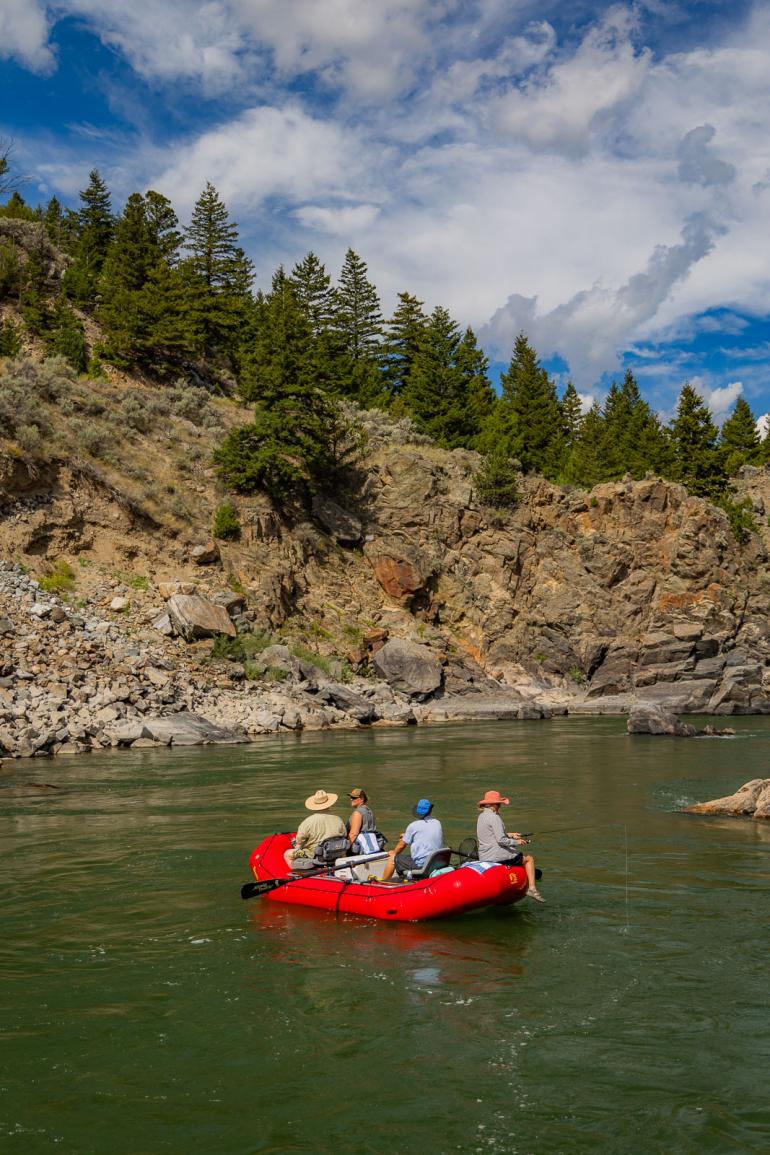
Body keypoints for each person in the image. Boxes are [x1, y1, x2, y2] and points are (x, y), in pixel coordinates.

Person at [476, 789, 545, 902]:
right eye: (499, 804)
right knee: (529, 859)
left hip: (484, 855)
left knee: (517, 853)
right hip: (496, 855)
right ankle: (532, 889)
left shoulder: (482, 816)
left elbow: (491, 834)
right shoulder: (495, 817)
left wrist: (512, 835)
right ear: (492, 804)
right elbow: (501, 840)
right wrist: (517, 842)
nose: (500, 806)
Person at [380, 798, 444, 881]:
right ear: (430, 811)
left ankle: (382, 883)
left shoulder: (413, 826)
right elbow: (425, 836)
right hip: (435, 862)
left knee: (392, 859)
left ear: (417, 813)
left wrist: (394, 852)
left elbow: (401, 845)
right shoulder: (437, 823)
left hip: (422, 865)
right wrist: (407, 836)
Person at [284, 789, 347, 868]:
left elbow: (299, 841)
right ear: (329, 804)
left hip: (314, 854)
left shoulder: (308, 822)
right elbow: (344, 835)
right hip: (335, 853)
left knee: (287, 854)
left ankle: (296, 875)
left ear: (314, 805)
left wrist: (298, 849)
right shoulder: (338, 819)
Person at [346, 787, 377, 853]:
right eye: (351, 797)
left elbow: (353, 834)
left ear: (362, 798)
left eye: (354, 797)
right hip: (372, 844)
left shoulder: (357, 812)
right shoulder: (369, 811)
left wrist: (345, 850)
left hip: (361, 847)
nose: (351, 799)